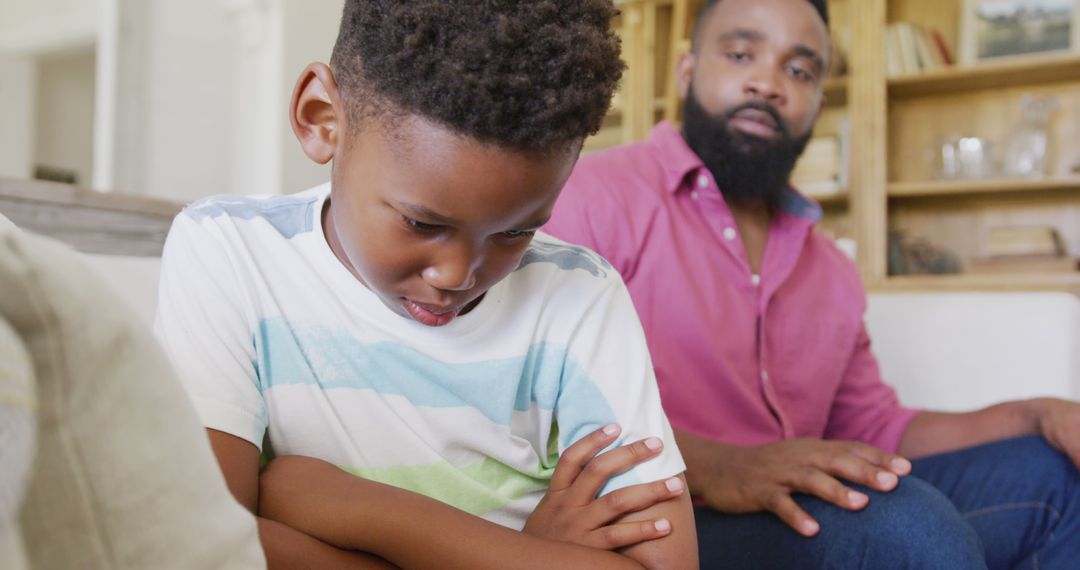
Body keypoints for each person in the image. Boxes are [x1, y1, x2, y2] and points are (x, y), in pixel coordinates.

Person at [153, 1, 697, 568]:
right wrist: (523, 554)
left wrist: (366, 511)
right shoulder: (230, 250)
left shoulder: (580, 295)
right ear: (322, 119)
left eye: (517, 231)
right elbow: (205, 545)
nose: (457, 275)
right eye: (423, 223)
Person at [544, 0, 1080, 568]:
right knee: (903, 527)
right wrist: (718, 465)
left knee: (1054, 475)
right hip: (667, 516)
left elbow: (874, 428)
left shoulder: (828, 264)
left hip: (796, 507)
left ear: (819, 104)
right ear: (687, 70)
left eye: (798, 70)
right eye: (741, 53)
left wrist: (1037, 413)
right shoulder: (591, 197)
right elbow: (534, 406)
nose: (768, 83)